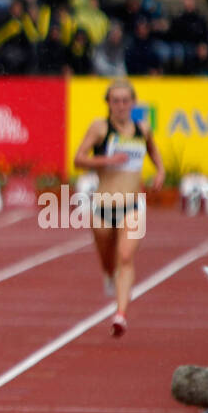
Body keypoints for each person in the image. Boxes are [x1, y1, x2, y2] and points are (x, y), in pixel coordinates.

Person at [72, 79, 165, 337]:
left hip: (133, 205)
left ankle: (120, 315)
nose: (121, 105)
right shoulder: (100, 128)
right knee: (107, 260)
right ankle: (108, 275)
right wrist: (107, 159)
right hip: (102, 205)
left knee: (125, 256)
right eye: (116, 101)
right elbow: (78, 159)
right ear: (108, 103)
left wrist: (160, 172)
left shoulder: (142, 128)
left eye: (126, 100)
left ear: (133, 103)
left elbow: (154, 152)